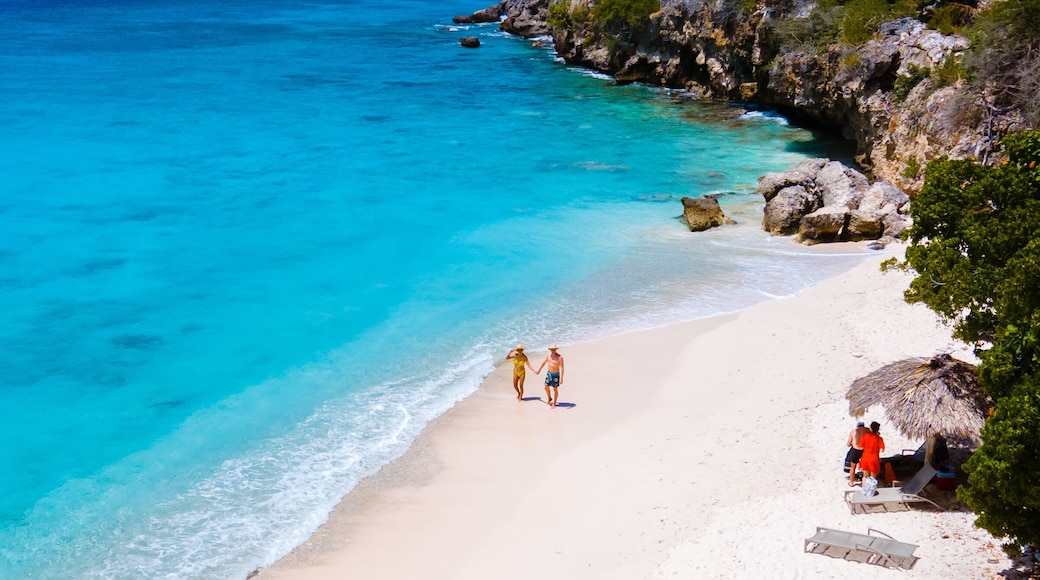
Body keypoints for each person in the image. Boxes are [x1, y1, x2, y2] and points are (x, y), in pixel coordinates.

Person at [536, 343, 564, 408]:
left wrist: (562, 378)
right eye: (552, 350)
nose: (553, 351)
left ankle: (554, 403)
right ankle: (549, 398)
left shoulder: (560, 357)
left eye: (554, 349)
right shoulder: (548, 355)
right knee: (546, 387)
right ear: (550, 350)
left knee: (555, 389)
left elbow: (562, 368)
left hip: (555, 375)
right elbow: (544, 362)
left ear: (556, 349)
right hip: (549, 374)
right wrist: (539, 370)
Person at [845, 421, 868, 486]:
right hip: (864, 450)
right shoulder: (868, 430)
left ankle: (851, 482)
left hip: (855, 450)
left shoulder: (853, 431)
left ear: (857, 426)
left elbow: (848, 444)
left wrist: (853, 443)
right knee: (864, 468)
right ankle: (864, 482)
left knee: (853, 467)